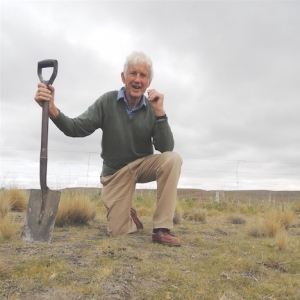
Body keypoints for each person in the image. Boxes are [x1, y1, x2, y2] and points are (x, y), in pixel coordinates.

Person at [34, 51, 182, 246]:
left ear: (148, 81)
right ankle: (127, 213)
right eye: (133, 73)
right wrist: (52, 109)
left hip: (142, 165)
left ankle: (161, 229)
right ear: (123, 77)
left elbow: (166, 147)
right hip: (116, 173)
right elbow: (76, 128)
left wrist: (160, 113)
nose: (137, 79)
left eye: (143, 75)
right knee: (117, 232)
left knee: (173, 159)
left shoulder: (152, 108)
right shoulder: (107, 102)